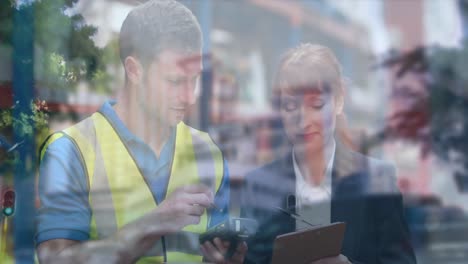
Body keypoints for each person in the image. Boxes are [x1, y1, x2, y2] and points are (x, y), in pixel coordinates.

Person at [35, 1, 246, 263]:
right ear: (134, 70)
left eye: (194, 80)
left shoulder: (208, 152)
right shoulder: (70, 151)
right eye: (175, 81)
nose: (189, 96)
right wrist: (153, 223)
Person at [240, 44, 416, 264]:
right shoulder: (257, 186)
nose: (303, 122)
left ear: (339, 101)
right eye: (290, 106)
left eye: (316, 105)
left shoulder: (376, 181)